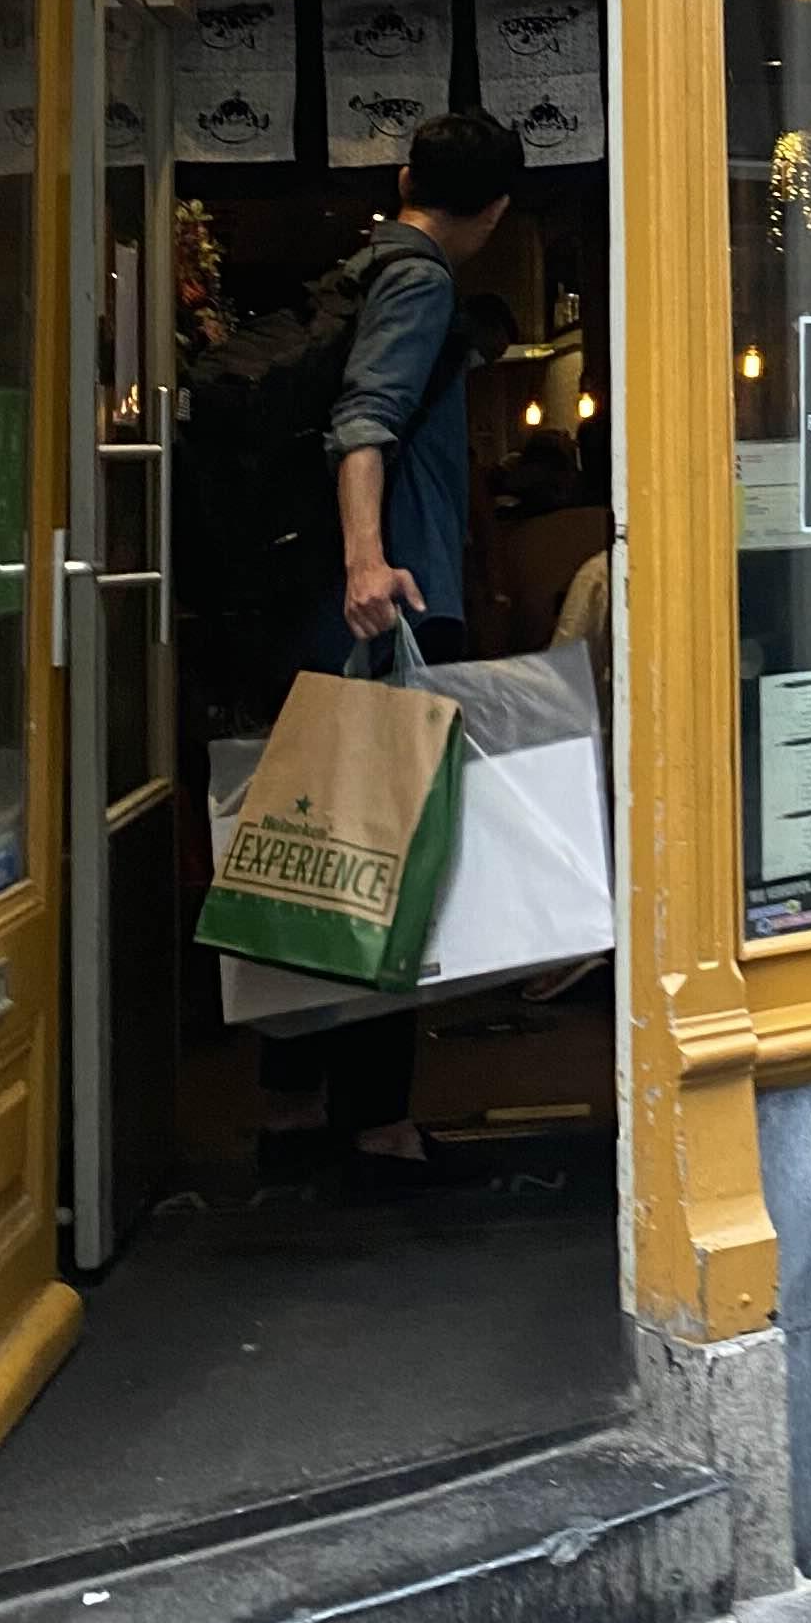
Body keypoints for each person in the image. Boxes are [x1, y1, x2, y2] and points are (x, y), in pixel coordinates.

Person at [256, 109, 522, 1195]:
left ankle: (299, 1102)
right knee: (388, 862)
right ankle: (375, 1122)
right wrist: (370, 563)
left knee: (324, 851)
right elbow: (364, 422)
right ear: (494, 211)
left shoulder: (367, 264)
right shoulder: (418, 284)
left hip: (347, 608)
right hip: (392, 603)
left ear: (408, 176)